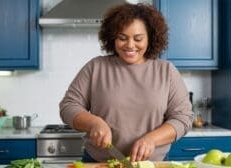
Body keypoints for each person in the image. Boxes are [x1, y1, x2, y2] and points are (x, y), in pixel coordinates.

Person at [59, 2, 193, 162]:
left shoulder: (166, 71)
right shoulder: (96, 67)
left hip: (151, 163)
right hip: (99, 162)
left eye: (138, 39)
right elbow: (68, 106)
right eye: (122, 38)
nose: (130, 45)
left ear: (151, 38)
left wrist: (151, 139)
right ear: (112, 38)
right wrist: (94, 123)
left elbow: (183, 118)